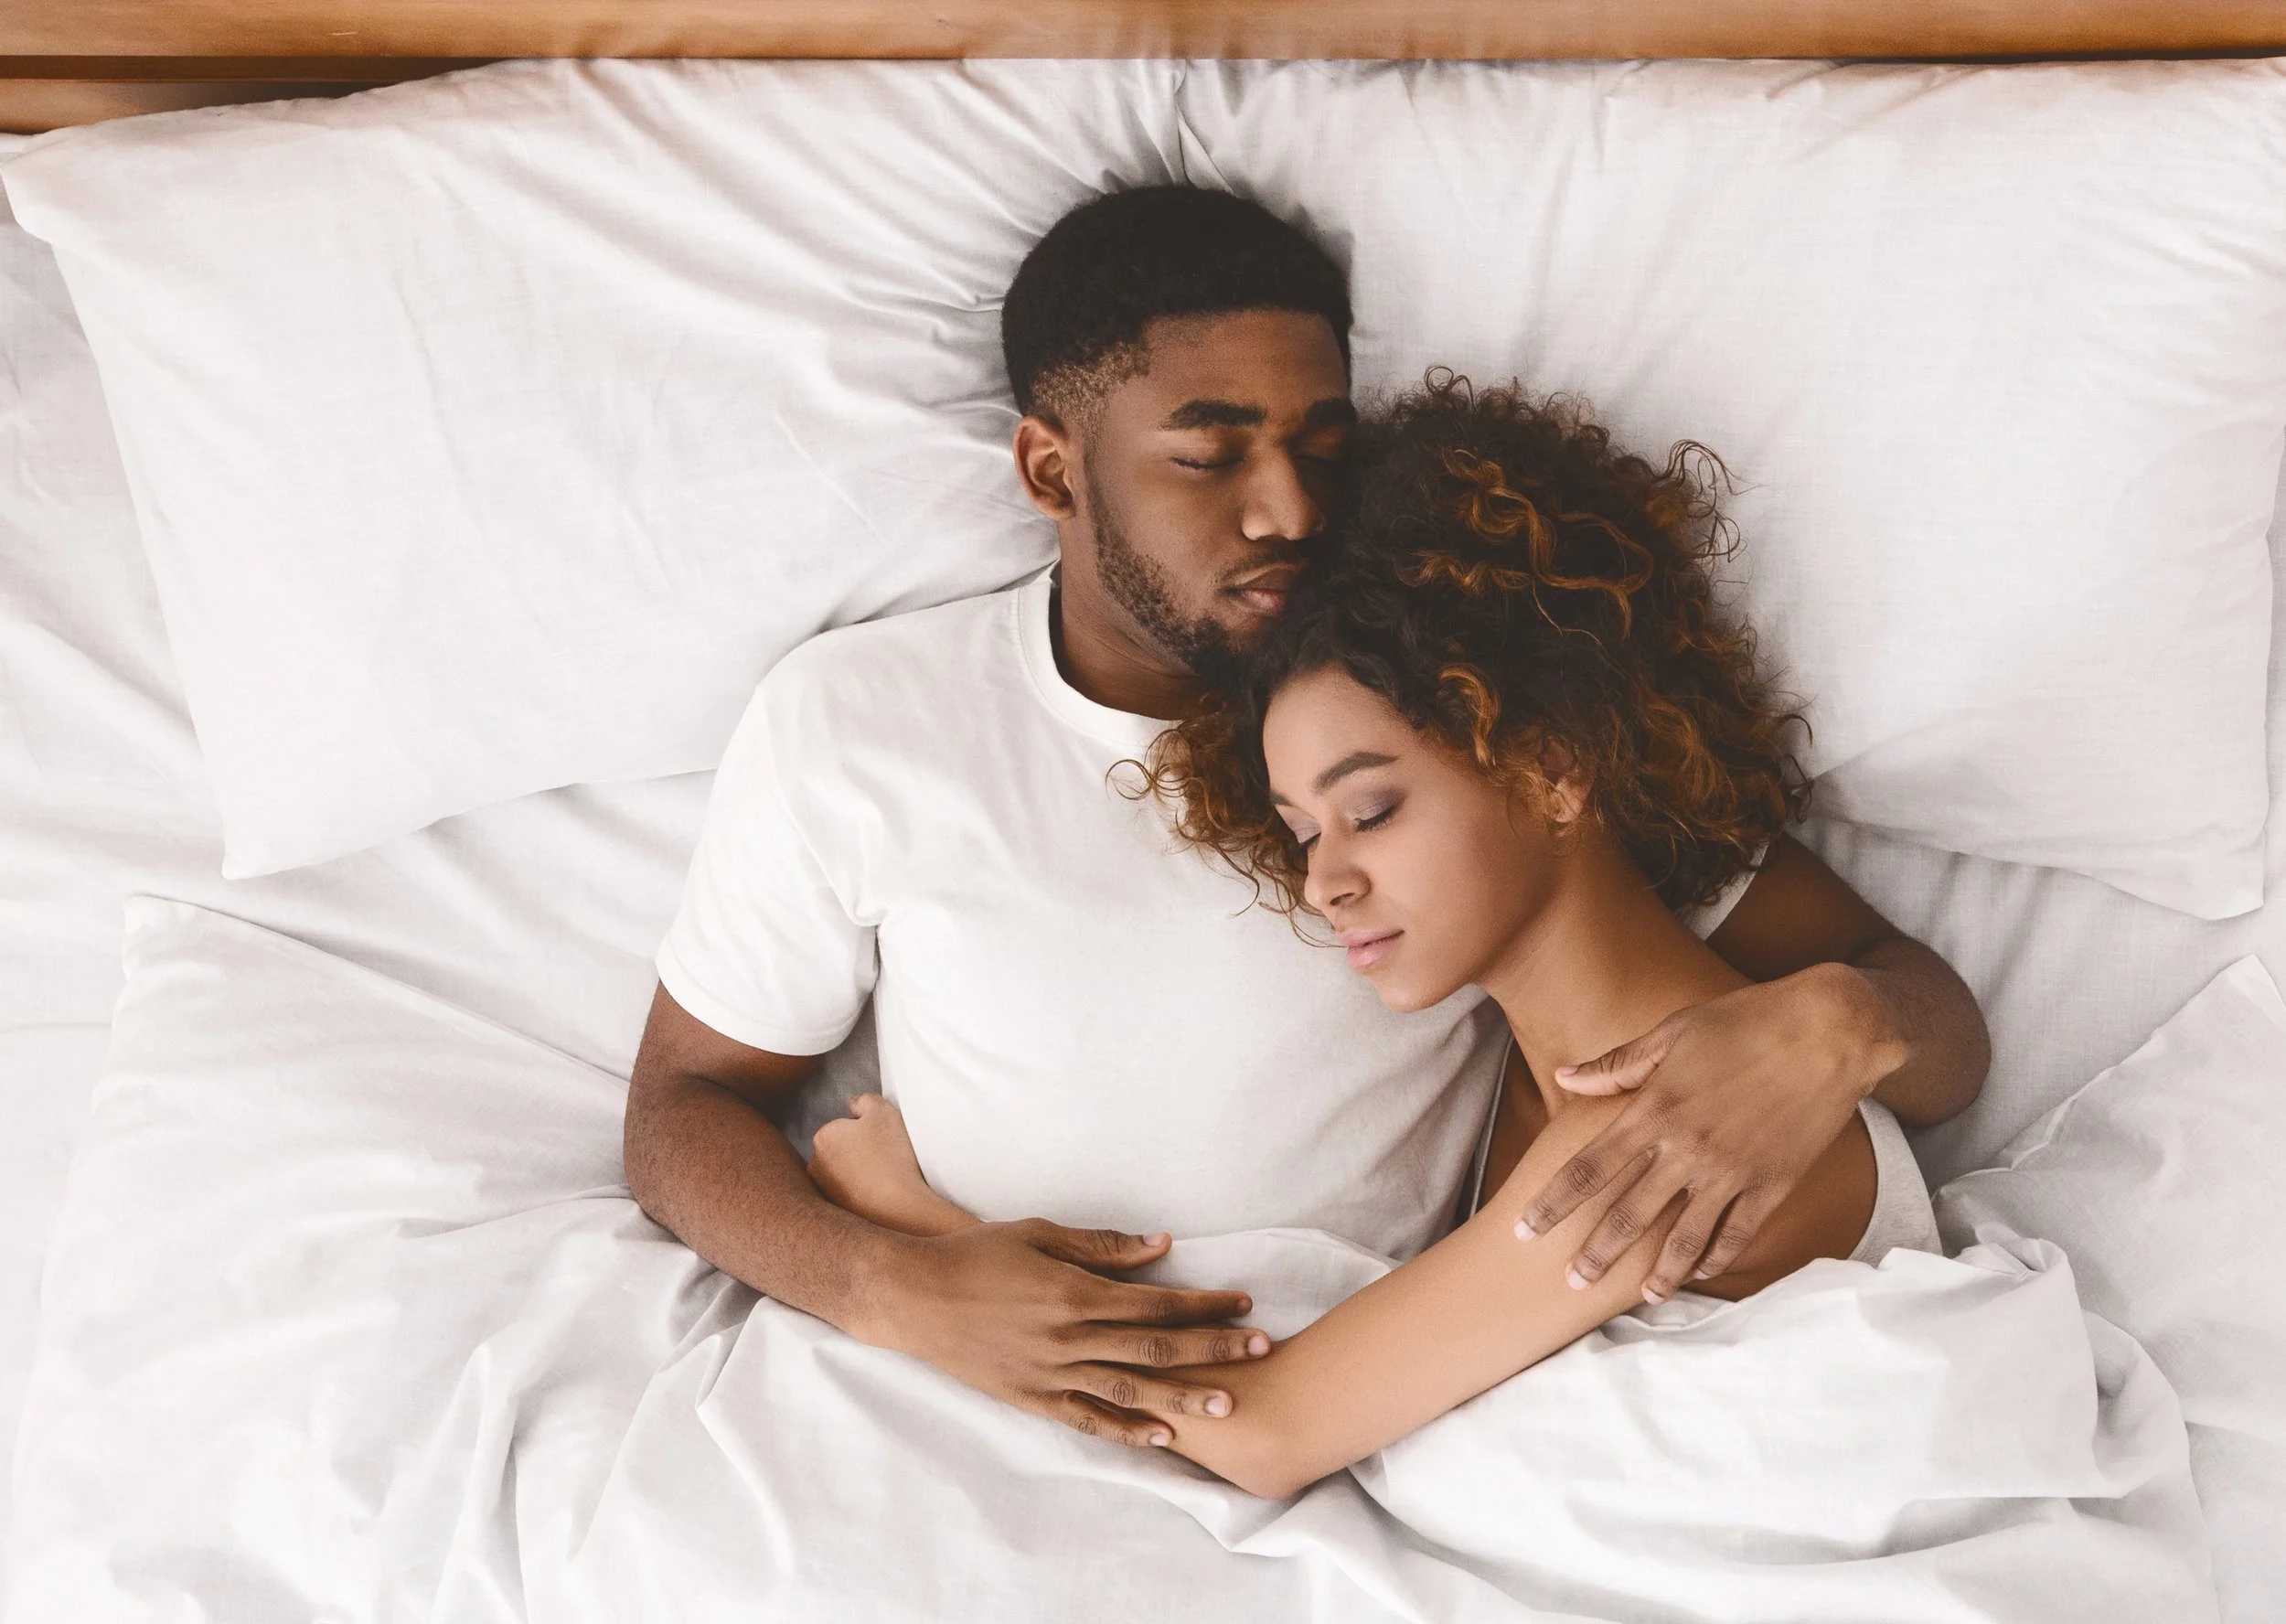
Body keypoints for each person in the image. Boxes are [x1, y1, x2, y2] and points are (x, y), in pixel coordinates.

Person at [623, 185, 1990, 1448]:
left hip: (1342, 1401)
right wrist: (886, 1281)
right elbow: (682, 1108)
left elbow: (1913, 1015)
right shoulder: (862, 721)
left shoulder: (1451, 704)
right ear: (1051, 471)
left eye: (1321, 450)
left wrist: (1837, 1022)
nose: (1286, 510)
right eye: (1207, 457)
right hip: (999, 1394)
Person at [805, 374, 1944, 1497]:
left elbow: (1262, 1431)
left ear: (1553, 768)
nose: (1324, 883)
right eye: (1303, 832)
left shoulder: (1659, 1128)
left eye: (1374, 810)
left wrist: (919, 1228)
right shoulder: (1530, 1075)